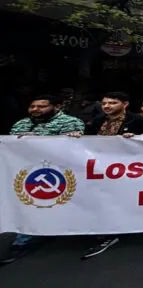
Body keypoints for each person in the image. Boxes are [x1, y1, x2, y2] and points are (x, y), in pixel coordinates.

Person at [0, 95, 85, 264]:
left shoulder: (71, 122)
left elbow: (74, 147)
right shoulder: (22, 124)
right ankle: (22, 240)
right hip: (28, 172)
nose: (35, 110)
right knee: (30, 204)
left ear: (57, 107)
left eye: (41, 106)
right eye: (32, 106)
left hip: (61, 172)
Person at [80, 92, 143, 259]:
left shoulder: (138, 121)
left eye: (112, 103)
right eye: (104, 103)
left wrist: (138, 138)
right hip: (100, 168)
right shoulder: (97, 120)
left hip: (127, 168)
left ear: (124, 104)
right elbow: (86, 140)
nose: (107, 106)